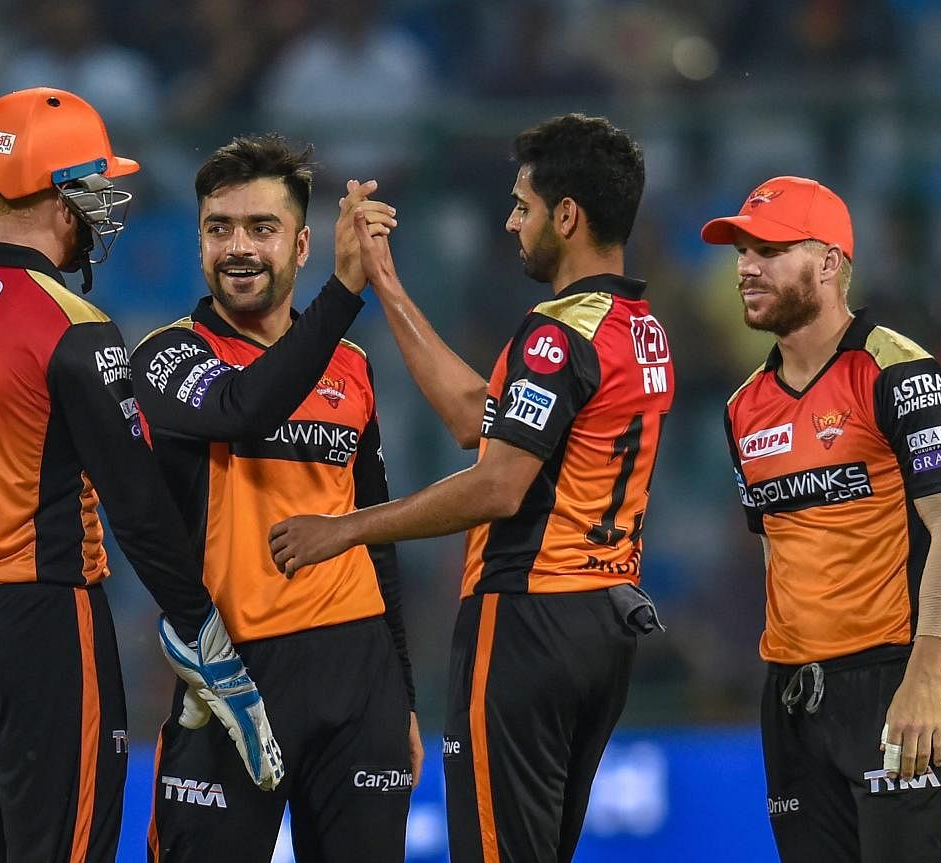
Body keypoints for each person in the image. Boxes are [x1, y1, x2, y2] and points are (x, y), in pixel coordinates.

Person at [0, 87, 281, 863]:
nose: (104, 209)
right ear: (57, 191)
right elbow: (138, 505)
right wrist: (199, 629)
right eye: (95, 187)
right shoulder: (70, 326)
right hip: (38, 630)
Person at [269, 113, 673, 863]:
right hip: (602, 624)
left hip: (526, 619)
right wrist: (383, 282)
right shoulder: (635, 326)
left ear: (567, 216)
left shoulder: (553, 335)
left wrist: (347, 527)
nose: (512, 221)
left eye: (523, 205)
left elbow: (497, 486)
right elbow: (473, 418)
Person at [129, 134, 420, 863]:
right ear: (198, 241)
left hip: (360, 682)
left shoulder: (350, 364)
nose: (238, 248)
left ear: (301, 243)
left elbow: (372, 535)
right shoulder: (166, 355)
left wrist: (403, 694)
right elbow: (240, 409)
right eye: (218, 227)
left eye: (261, 228)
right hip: (229, 679)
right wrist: (344, 293)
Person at [702, 176, 941, 862]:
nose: (745, 266)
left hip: (896, 683)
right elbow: (778, 549)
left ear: (829, 263)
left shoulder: (897, 370)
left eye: (768, 249)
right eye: (742, 250)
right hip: (795, 700)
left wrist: (924, 677)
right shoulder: (743, 407)